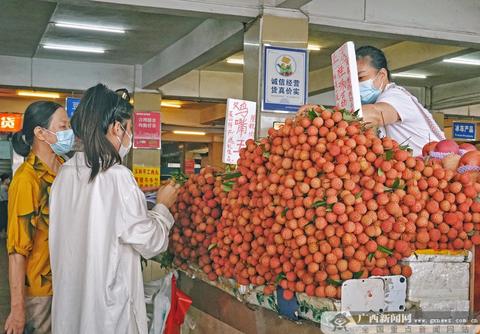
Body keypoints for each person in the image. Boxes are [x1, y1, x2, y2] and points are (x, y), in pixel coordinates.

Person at [49, 84, 179, 334]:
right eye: (129, 128)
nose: (128, 136)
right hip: (108, 315)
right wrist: (163, 206)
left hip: (70, 309)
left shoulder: (64, 175)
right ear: (116, 127)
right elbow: (150, 242)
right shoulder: (117, 176)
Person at [4, 101, 73, 334]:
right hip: (40, 292)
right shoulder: (27, 180)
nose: (69, 133)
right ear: (40, 133)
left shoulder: (67, 170)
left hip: (68, 286)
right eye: (63, 126)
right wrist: (17, 309)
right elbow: (17, 251)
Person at [356, 45, 445, 156]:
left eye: (360, 78)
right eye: (352, 81)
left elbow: (375, 115)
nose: (356, 85)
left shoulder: (395, 96)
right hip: (409, 168)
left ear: (382, 75)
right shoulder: (379, 100)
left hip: (434, 166)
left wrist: (333, 117)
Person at [0, 173, 10, 239]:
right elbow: (6, 197)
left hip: (2, 203)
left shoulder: (2, 186)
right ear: (5, 179)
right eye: (8, 178)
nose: (9, 180)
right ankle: (2, 233)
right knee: (4, 218)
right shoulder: (4, 187)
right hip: (3, 204)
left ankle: (3, 233)